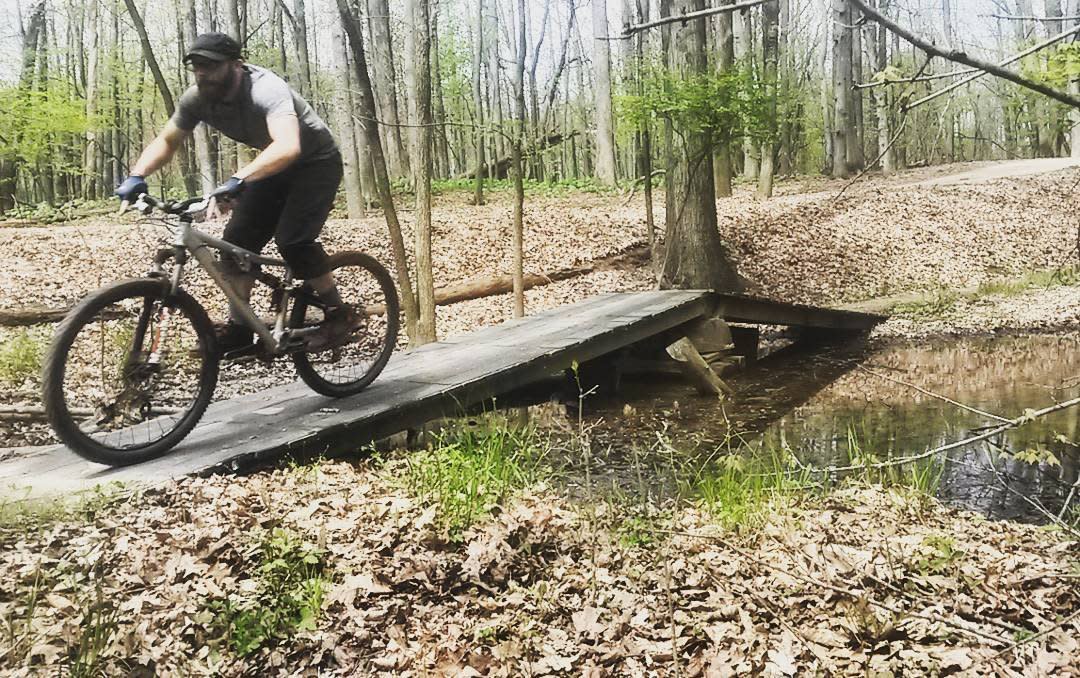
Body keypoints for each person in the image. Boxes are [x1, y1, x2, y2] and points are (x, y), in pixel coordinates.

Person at [115, 32, 354, 354]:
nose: (202, 73)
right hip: (273, 165)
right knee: (236, 242)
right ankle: (240, 328)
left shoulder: (266, 89)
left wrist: (239, 178)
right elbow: (168, 141)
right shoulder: (196, 98)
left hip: (316, 163)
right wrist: (136, 175)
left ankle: (340, 313)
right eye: (197, 66)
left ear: (237, 65)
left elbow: (288, 146)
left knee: (293, 241)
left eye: (211, 66)